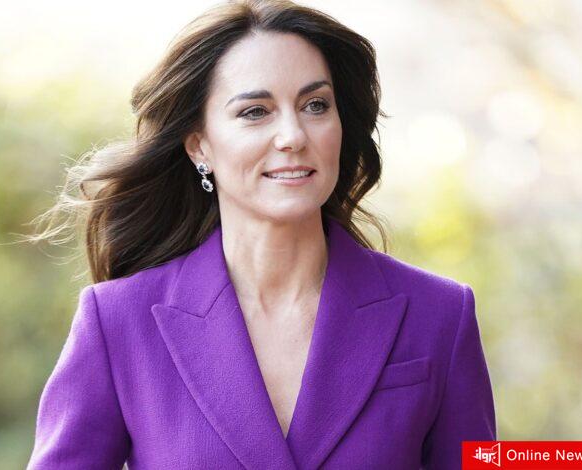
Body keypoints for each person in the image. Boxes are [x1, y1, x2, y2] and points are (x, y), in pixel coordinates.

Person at [25, 0, 496, 468]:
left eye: (315, 105)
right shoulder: (118, 322)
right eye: (255, 111)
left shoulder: (440, 314)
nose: (293, 135)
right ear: (199, 145)